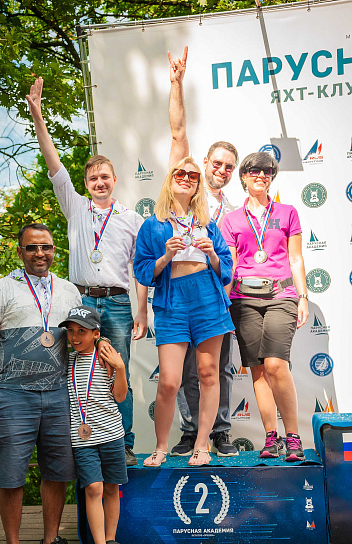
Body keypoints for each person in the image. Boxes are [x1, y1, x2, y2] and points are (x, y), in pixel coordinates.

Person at [27, 77, 148, 467]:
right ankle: (80, 438)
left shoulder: (131, 219)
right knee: (74, 369)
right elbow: (53, 162)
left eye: (105, 177)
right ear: (84, 184)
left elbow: (140, 270)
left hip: (117, 302)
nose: (99, 183)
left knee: (116, 367)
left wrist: (142, 311)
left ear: (115, 180)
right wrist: (37, 114)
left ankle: (123, 442)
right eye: (93, 178)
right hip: (79, 301)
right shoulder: (75, 206)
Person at [0, 224, 98, 544]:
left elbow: (82, 337)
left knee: (58, 470)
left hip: (59, 393)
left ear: (55, 250)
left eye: (46, 247)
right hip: (13, 394)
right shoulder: (2, 287)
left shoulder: (69, 290)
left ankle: (50, 542)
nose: (39, 253)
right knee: (10, 474)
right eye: (31, 248)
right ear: (19, 251)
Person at [133, 157, 234, 467]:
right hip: (172, 301)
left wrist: (212, 254)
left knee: (208, 374)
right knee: (169, 381)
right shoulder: (153, 224)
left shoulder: (208, 223)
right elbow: (142, 271)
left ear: (198, 184)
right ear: (170, 179)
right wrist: (165, 256)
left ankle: (202, 444)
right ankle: (161, 446)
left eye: (193, 175)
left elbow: (226, 270)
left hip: (208, 298)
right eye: (181, 173)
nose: (187, 178)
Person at [167, 46, 239, 457]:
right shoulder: (187, 187)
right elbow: (178, 134)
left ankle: (221, 431)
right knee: (185, 371)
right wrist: (176, 84)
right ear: (205, 162)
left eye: (229, 166)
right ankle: (190, 430)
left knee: (218, 370)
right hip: (182, 295)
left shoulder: (235, 209)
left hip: (218, 297)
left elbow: (232, 259)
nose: (221, 170)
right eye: (217, 163)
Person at [221, 152, 309, 461]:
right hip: (243, 300)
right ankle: (273, 437)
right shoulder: (231, 219)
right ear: (244, 177)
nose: (261, 175)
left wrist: (303, 296)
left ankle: (293, 436)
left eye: (268, 171)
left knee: (275, 365)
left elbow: (295, 258)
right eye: (254, 170)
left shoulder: (287, 212)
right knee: (258, 370)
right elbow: (231, 266)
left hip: (280, 296)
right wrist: (224, 302)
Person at [59, 306, 128, 544]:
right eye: (71, 331)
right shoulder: (66, 361)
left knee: (111, 488)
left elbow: (120, 397)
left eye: (82, 331)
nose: (75, 337)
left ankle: (111, 542)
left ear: (96, 334)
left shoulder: (107, 358)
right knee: (93, 488)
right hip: (82, 439)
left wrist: (120, 367)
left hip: (112, 434)